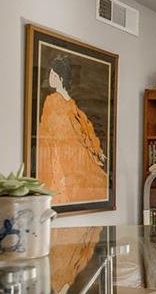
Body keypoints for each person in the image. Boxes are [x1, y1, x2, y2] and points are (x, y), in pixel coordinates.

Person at [37, 55, 108, 205]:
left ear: (61, 78)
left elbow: (86, 129)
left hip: (75, 156)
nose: (50, 77)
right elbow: (45, 133)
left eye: (53, 75)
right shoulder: (51, 101)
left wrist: (96, 150)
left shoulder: (71, 106)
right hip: (59, 155)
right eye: (50, 73)